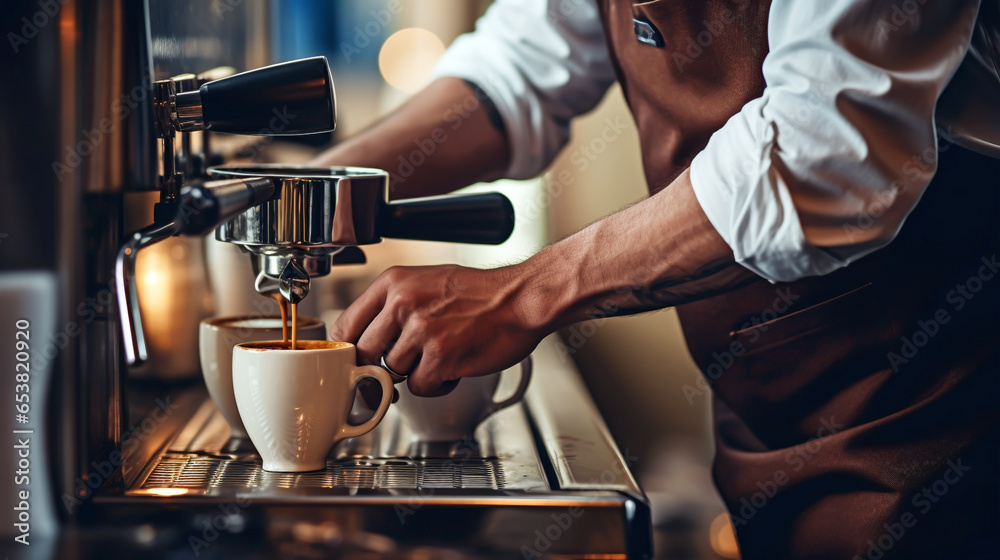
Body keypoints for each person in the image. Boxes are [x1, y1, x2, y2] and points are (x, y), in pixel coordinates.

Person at [314, 1, 1000, 557]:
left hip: (938, 403)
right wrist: (324, 192)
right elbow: (516, 71)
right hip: (763, 404)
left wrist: (520, 296)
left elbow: (816, 157)